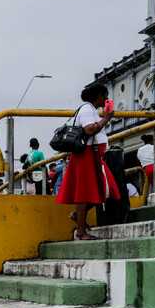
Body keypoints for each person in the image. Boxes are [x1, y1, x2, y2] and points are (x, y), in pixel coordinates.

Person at [55, 83, 120, 241]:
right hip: (87, 154)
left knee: (105, 188)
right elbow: (89, 130)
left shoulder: (91, 110)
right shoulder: (86, 109)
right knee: (86, 192)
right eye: (105, 95)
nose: (107, 98)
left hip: (93, 155)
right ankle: (80, 232)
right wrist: (106, 119)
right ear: (99, 95)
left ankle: (79, 217)